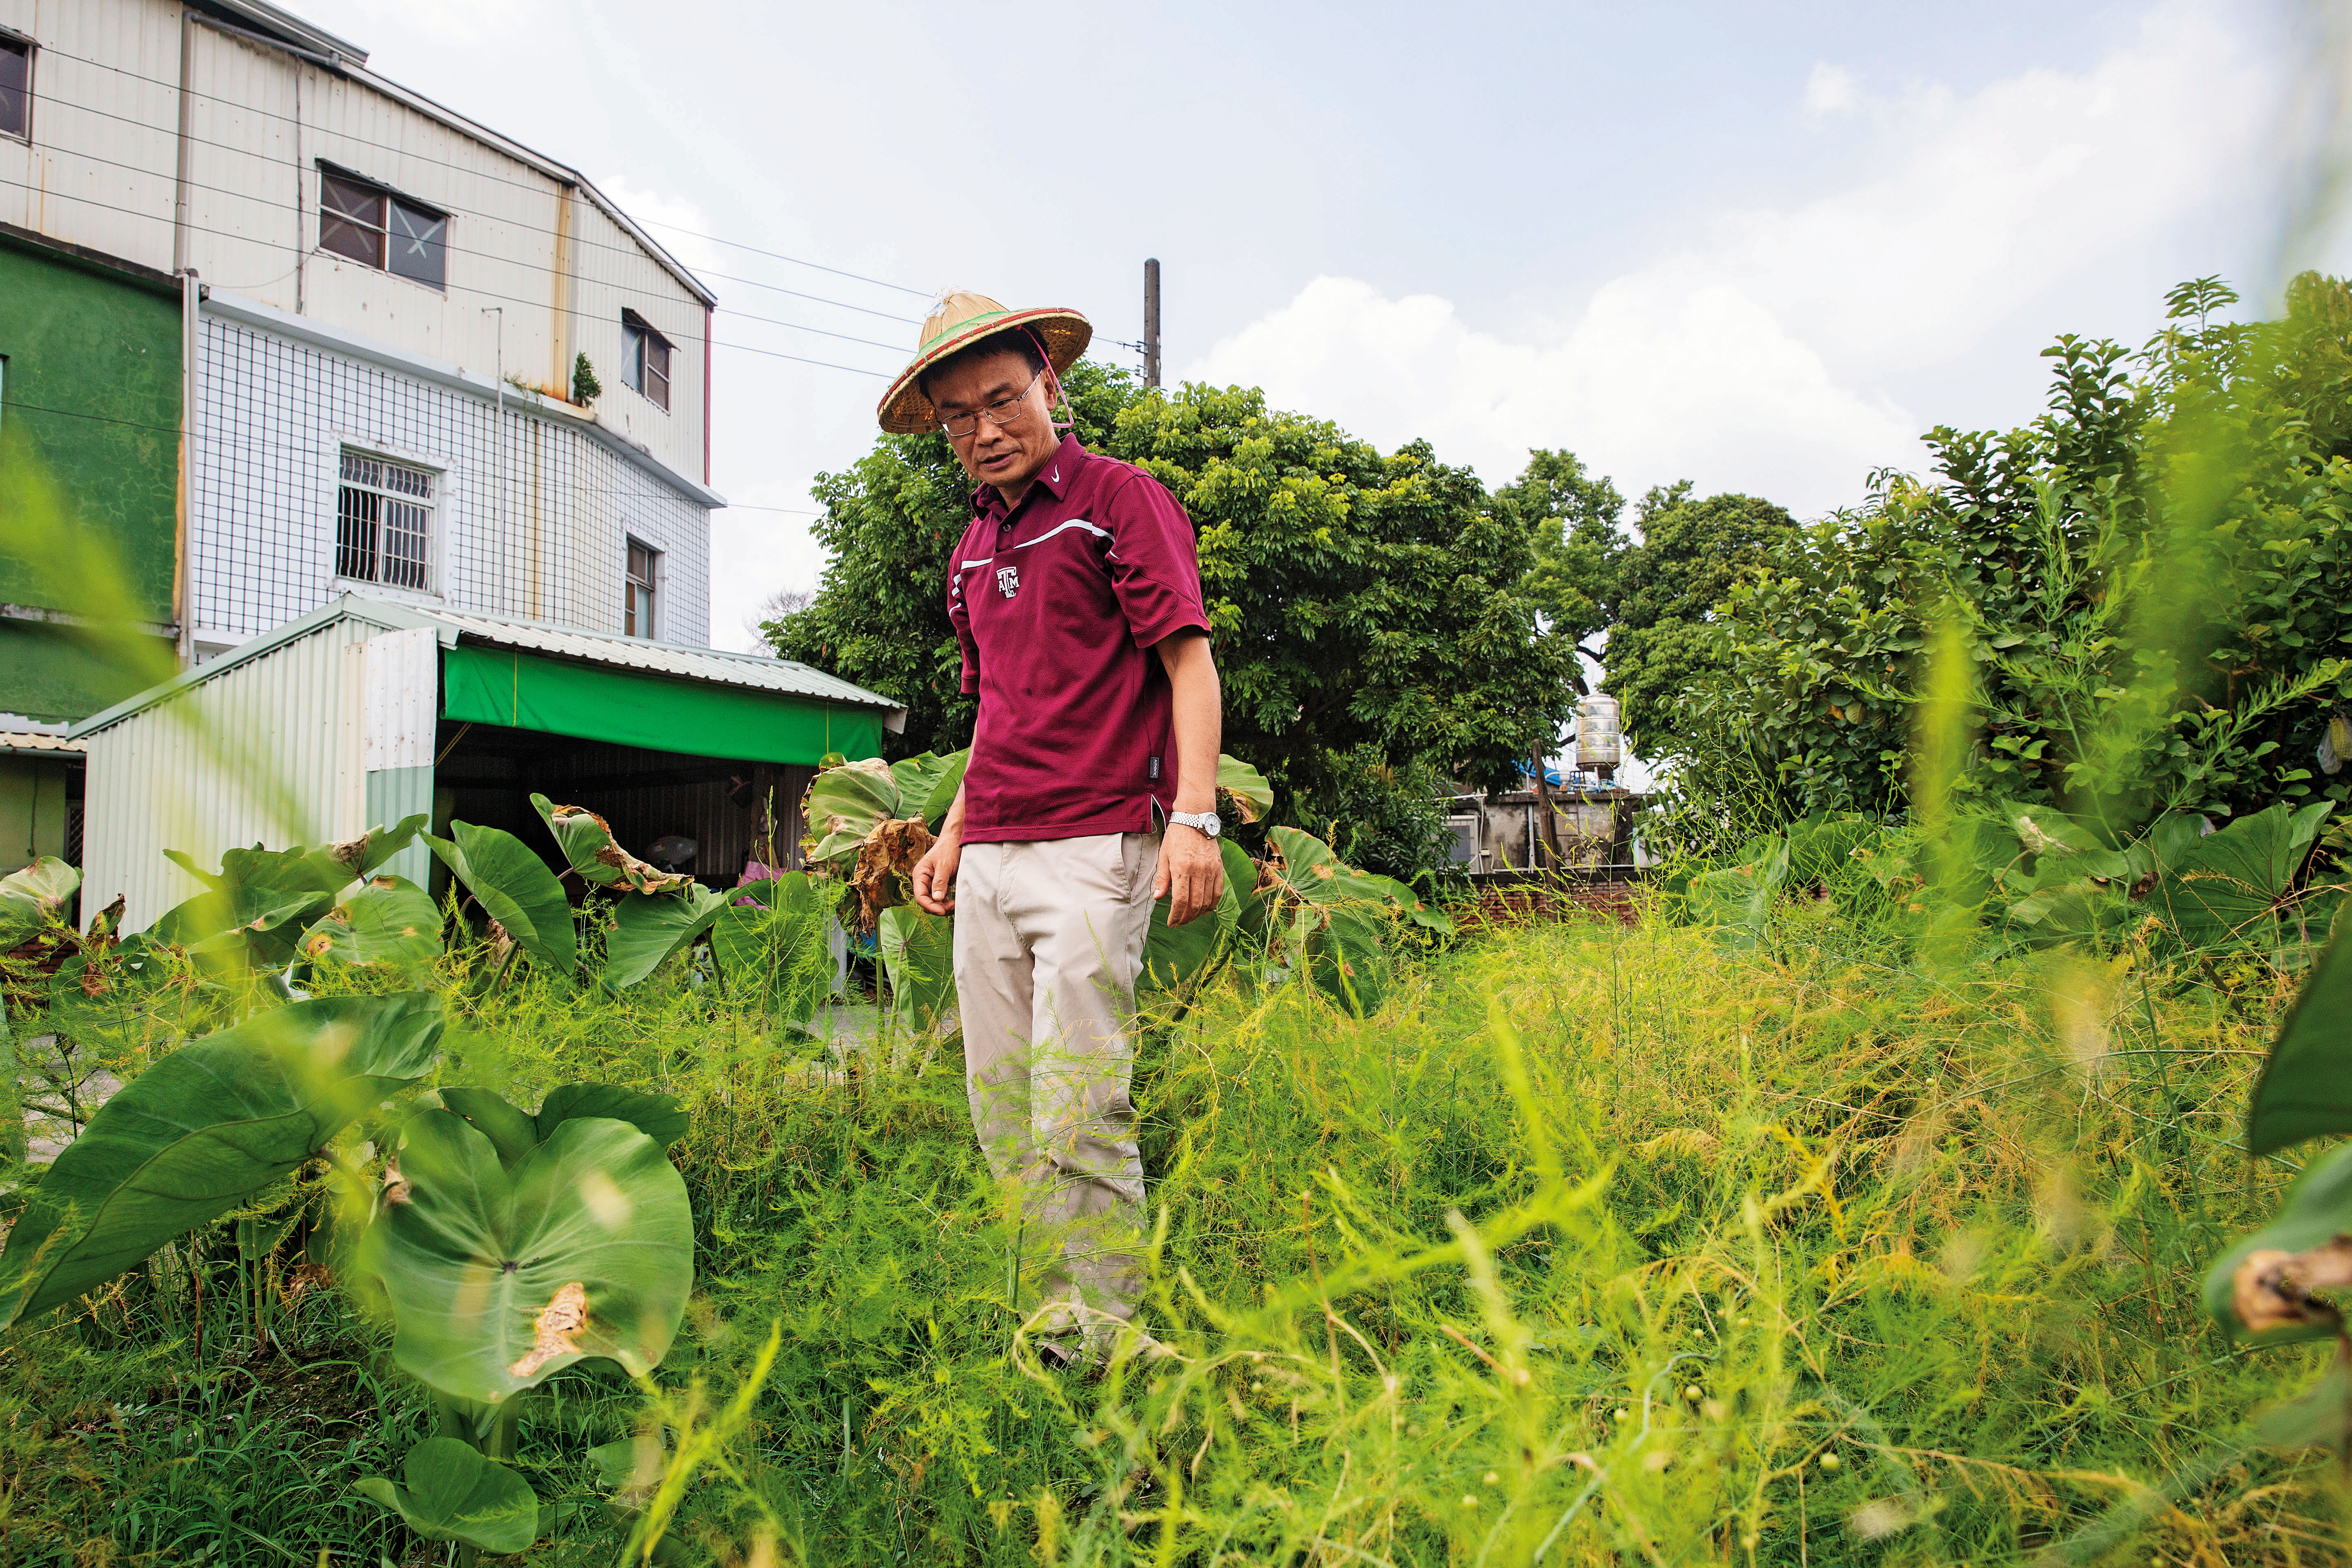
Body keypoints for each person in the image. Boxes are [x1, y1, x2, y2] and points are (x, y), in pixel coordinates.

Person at [884, 291, 1224, 1369]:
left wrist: (1195, 818)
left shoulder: (1118, 501)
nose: (984, 430)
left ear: (1050, 388)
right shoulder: (969, 552)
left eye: (1002, 400)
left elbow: (1188, 660)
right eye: (958, 417)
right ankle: (1057, 1329)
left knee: (1078, 1110)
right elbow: (997, 709)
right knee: (1003, 1113)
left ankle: (1119, 1334)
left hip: (1095, 848)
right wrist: (951, 831)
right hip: (990, 858)